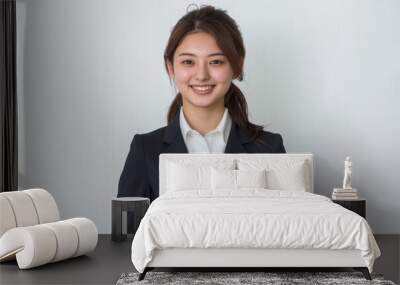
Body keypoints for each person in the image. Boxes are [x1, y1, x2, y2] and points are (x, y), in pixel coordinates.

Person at [118, 5, 286, 202]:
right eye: (188, 62)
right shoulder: (145, 150)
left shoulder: (269, 148)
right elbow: (127, 233)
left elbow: (287, 229)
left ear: (237, 65)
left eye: (216, 62)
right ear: (170, 67)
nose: (202, 75)